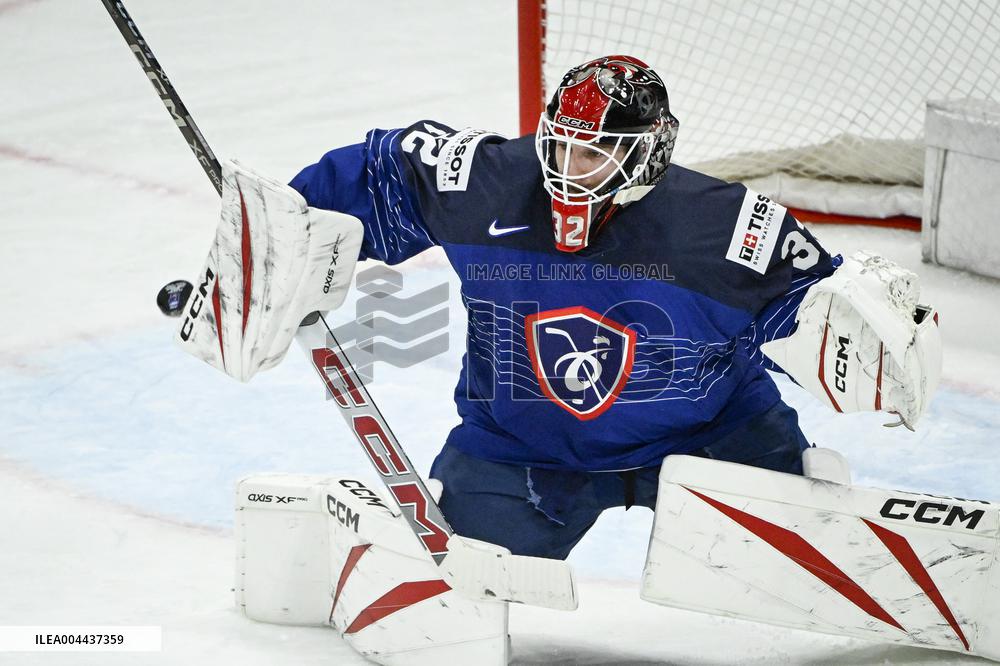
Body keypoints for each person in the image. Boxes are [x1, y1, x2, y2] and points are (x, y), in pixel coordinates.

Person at [285, 55, 897, 561]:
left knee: (815, 566)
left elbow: (809, 310)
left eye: (594, 154)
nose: (566, 172)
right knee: (450, 583)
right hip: (521, 445)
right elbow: (386, 172)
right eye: (560, 145)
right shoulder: (490, 183)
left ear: (648, 154)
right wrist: (288, 225)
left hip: (712, 434)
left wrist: (873, 348)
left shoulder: (727, 225)